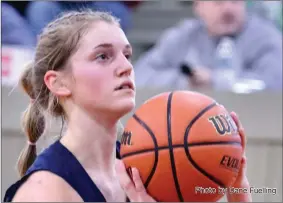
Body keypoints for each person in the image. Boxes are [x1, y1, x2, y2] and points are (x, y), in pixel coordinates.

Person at [3, 10, 252, 202]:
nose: (126, 67)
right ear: (58, 83)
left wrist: (237, 191)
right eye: (103, 56)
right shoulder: (45, 191)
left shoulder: (157, 166)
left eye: (127, 55)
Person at [134, 1, 282, 91]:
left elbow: (274, 84)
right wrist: (185, 82)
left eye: (235, 1)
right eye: (218, 2)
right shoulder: (184, 36)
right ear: (198, 6)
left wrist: (215, 81)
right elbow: (141, 76)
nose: (228, 9)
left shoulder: (267, 38)